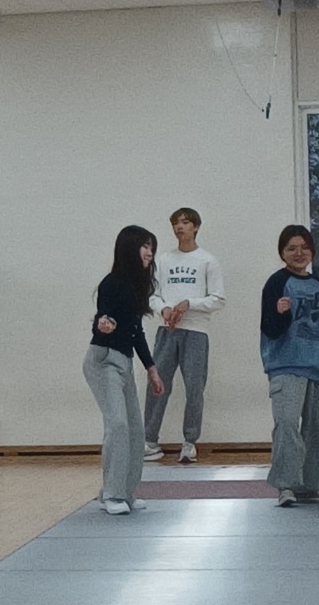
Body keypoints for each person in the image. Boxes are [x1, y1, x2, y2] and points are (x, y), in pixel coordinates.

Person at [83, 225, 165, 516]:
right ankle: (112, 494)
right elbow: (102, 320)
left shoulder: (136, 285)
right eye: (145, 246)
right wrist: (103, 325)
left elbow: (136, 332)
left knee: (135, 430)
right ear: (129, 249)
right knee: (117, 425)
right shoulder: (111, 283)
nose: (149, 252)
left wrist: (151, 368)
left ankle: (126, 492)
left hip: (123, 362)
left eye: (151, 247)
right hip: (103, 361)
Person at [143, 208, 225, 464]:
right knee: (157, 384)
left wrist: (190, 303)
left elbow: (218, 298)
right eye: (176, 223)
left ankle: (190, 442)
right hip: (167, 331)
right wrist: (164, 309)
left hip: (196, 332)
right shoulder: (164, 260)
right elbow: (152, 295)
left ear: (196, 227)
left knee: (194, 388)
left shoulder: (207, 260)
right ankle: (149, 441)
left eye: (186, 223)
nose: (180, 227)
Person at [262, 225, 319, 507]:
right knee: (287, 423)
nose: (299, 253)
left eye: (304, 247)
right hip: (287, 365)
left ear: (312, 252)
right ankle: (286, 485)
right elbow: (269, 328)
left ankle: (309, 486)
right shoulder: (276, 283)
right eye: (291, 248)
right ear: (282, 253)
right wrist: (280, 313)